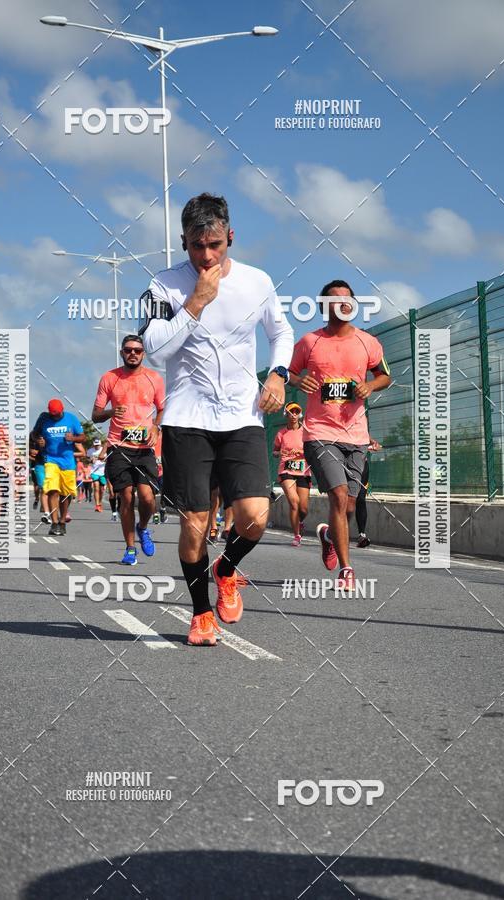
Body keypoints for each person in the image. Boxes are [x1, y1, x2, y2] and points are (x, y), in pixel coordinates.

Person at [141, 192, 293, 645]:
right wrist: (196, 302)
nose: (205, 256)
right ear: (183, 241)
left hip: (243, 416)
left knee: (255, 516)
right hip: (187, 419)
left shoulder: (257, 281)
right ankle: (201, 613)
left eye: (214, 245)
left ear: (230, 237)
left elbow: (281, 332)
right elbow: (155, 349)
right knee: (194, 526)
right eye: (195, 246)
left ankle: (227, 568)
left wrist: (280, 376)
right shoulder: (162, 286)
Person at [290, 280, 390, 589]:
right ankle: (347, 570)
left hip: (356, 433)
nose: (342, 303)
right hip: (319, 432)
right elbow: (287, 371)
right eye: (335, 300)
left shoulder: (368, 342)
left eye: (347, 299)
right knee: (337, 495)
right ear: (324, 307)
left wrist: (369, 387)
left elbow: (384, 375)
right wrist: (298, 381)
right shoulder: (310, 342)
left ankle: (329, 536)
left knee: (348, 504)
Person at [92, 334, 165, 565]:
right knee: (125, 496)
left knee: (147, 498)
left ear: (143, 353)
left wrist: (156, 427)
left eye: (137, 350)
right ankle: (130, 548)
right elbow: (96, 415)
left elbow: (163, 409)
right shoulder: (109, 378)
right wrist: (112, 412)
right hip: (118, 446)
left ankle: (143, 527)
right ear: (122, 352)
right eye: (128, 350)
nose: (133, 353)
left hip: (144, 448)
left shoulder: (154, 378)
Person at [30, 399, 85, 536]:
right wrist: (38, 440)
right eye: (52, 415)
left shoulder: (71, 418)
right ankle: (54, 524)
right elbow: (34, 434)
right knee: (53, 490)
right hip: (51, 460)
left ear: (62, 410)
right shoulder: (43, 419)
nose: (55, 417)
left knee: (66, 494)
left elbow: (83, 437)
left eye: (57, 415)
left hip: (68, 461)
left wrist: (73, 438)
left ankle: (62, 522)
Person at [273, 402, 312, 546]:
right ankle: (296, 535)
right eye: (291, 412)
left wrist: (302, 453)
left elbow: (312, 450)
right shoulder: (281, 434)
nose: (294, 415)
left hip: (303, 470)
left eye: (296, 412)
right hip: (286, 470)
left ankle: (300, 522)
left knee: (303, 508)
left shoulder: (306, 432)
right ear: (286, 414)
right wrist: (279, 452)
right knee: (294, 502)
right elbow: (275, 452)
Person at [355, 438, 382, 547]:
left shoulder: (363, 432)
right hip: (346, 465)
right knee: (346, 501)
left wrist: (373, 444)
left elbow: (378, 446)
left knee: (361, 499)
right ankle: (336, 533)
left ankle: (362, 535)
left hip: (362, 467)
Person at [87, 437, 107, 512]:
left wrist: (103, 459)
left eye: (98, 445)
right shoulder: (90, 451)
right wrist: (91, 460)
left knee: (101, 490)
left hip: (103, 471)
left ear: (100, 444)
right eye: (95, 445)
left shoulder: (104, 450)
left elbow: (108, 459)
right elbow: (87, 459)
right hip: (94, 471)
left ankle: (100, 502)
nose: (97, 446)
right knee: (96, 487)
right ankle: (97, 505)